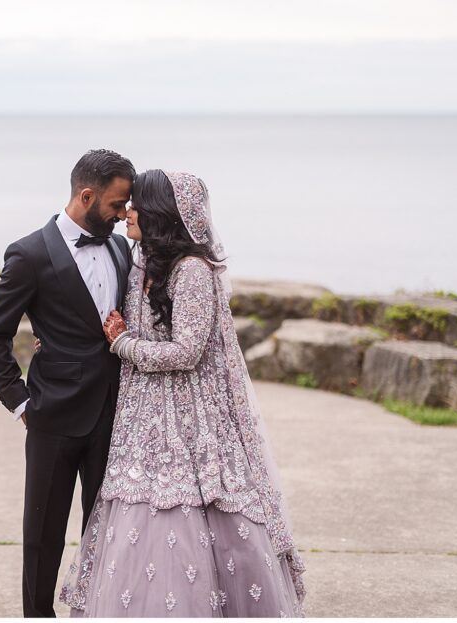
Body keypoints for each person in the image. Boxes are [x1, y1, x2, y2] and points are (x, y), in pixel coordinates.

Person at [58, 169, 307, 617]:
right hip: (143, 416)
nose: (127, 211)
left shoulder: (193, 271)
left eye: (135, 203)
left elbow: (187, 351)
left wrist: (123, 344)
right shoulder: (141, 264)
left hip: (190, 415)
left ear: (159, 213)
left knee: (193, 513)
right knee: (136, 508)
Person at [0, 149, 136, 617]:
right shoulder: (29, 253)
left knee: (105, 527)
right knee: (43, 534)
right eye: (116, 204)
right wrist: (22, 403)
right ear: (86, 195)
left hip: (114, 413)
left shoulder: (119, 247)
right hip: (51, 417)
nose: (123, 214)